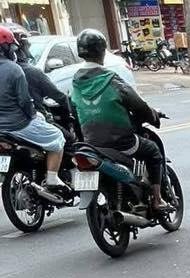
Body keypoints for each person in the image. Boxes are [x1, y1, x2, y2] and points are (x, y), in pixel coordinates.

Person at [69, 28, 166, 215]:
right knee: (153, 150)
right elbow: (138, 105)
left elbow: (73, 108)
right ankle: (157, 199)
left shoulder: (76, 82)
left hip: (91, 144)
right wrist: (153, 116)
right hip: (120, 141)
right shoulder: (111, 79)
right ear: (102, 50)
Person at [0, 26, 68, 191]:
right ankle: (52, 178)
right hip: (17, 124)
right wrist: (34, 115)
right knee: (57, 137)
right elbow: (24, 101)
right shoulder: (14, 69)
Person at [13, 25, 78, 136]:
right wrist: (76, 110)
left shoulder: (8, 71)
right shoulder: (31, 72)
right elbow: (58, 96)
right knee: (69, 140)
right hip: (33, 123)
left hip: (10, 126)